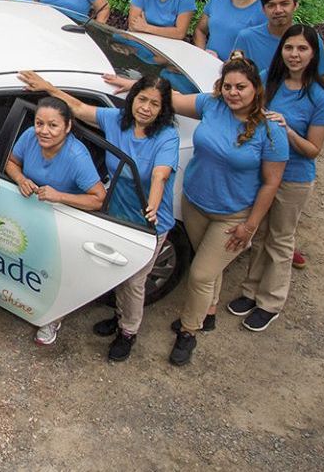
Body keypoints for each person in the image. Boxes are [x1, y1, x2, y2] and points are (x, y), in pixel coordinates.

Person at [107, 55, 287, 366]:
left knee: (201, 274)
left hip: (233, 215)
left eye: (241, 87)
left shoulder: (271, 131)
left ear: (255, 88)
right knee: (209, 265)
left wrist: (250, 226)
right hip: (195, 204)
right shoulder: (211, 105)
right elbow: (169, 99)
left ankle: (189, 331)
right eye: (227, 86)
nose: (233, 93)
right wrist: (130, 85)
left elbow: (271, 183)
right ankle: (209, 312)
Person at [18, 71, 179, 361]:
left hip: (148, 221)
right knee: (110, 270)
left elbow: (160, 175)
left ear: (163, 108)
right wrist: (48, 87)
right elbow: (78, 109)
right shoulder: (117, 121)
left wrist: (153, 206)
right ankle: (118, 317)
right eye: (142, 99)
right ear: (133, 99)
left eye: (154, 104)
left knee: (133, 282)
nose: (146, 108)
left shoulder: (167, 136)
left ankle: (128, 332)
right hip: (114, 213)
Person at [226, 26, 324, 330]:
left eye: (302, 49)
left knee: (280, 239)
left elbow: (313, 150)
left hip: (294, 178)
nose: (294, 55)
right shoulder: (268, 80)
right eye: (289, 48)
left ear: (313, 53)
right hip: (263, 171)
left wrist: (287, 131)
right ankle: (250, 291)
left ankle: (270, 302)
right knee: (258, 234)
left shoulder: (320, 98)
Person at [4, 97, 106, 345]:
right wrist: (20, 179)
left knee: (58, 274)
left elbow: (98, 199)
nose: (44, 131)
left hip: (64, 220)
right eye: (39, 123)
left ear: (67, 126)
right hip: (34, 213)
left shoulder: (76, 156)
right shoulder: (29, 136)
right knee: (32, 262)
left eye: (53, 125)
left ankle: (52, 318)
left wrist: (60, 196)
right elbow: (11, 162)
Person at [232, 0, 324, 76]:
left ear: (295, 5)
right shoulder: (247, 38)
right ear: (263, 9)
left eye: (284, 4)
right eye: (271, 5)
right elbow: (234, 76)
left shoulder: (311, 39)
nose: (278, 10)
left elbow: (320, 78)